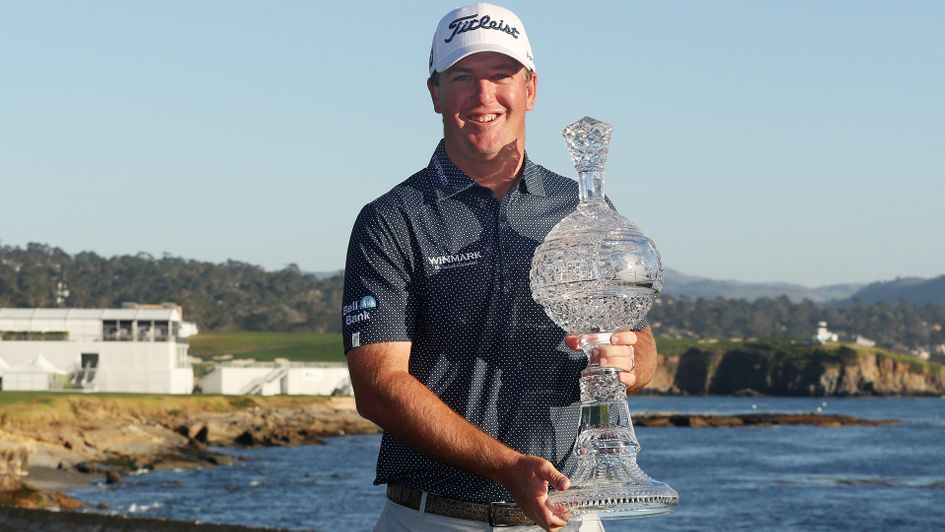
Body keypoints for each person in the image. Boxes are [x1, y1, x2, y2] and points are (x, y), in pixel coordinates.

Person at [342, 3, 658, 530]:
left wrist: (631, 363)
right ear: (435, 93)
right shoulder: (392, 220)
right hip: (433, 519)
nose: (483, 96)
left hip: (570, 517)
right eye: (462, 76)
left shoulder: (578, 211)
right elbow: (378, 386)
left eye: (501, 75)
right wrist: (508, 466)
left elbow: (638, 340)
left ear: (530, 88)